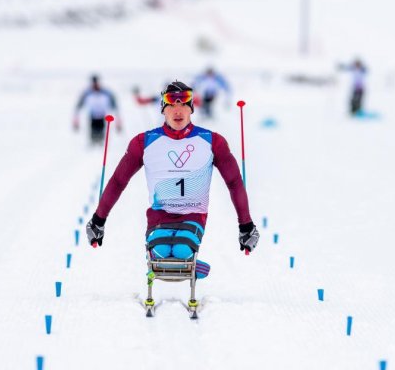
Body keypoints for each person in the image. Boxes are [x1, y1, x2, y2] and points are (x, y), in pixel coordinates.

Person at [85, 80, 260, 280]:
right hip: (160, 215)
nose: (178, 110)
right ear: (163, 109)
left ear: (192, 108)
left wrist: (246, 225)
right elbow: (118, 181)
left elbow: (234, 182)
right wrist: (98, 220)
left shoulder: (212, 141)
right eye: (172, 104)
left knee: (181, 254)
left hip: (192, 214)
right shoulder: (144, 142)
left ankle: (192, 264)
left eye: (184, 104)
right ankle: (172, 260)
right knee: (160, 257)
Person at [73, 74, 121, 144]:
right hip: (92, 115)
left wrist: (118, 121)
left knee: (101, 130)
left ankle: (100, 141)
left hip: (102, 115)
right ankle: (93, 142)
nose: (95, 84)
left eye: (96, 82)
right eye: (93, 82)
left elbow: (114, 104)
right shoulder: (87, 92)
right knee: (93, 130)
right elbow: (79, 105)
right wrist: (76, 120)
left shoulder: (106, 92)